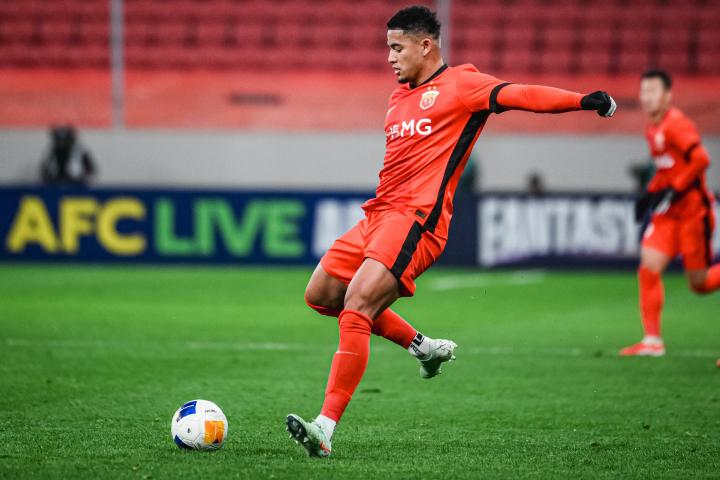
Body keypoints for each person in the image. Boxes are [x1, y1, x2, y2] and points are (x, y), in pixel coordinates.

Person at [286, 5, 616, 458]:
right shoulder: (398, 98)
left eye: (397, 48)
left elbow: (521, 93)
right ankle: (423, 348)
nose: (390, 58)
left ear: (426, 46)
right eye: (388, 48)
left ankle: (324, 427)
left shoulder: (462, 85)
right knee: (322, 295)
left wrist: (581, 100)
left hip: (416, 221)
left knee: (357, 306)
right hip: (376, 216)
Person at [620, 69, 719, 357]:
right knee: (648, 268)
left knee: (699, 284)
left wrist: (675, 188)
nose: (646, 97)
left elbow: (701, 159)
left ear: (667, 96)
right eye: (644, 91)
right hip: (669, 215)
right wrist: (649, 193)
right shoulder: (652, 128)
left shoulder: (676, 123)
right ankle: (652, 341)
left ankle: (653, 340)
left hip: (693, 212)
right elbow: (665, 170)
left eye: (653, 91)